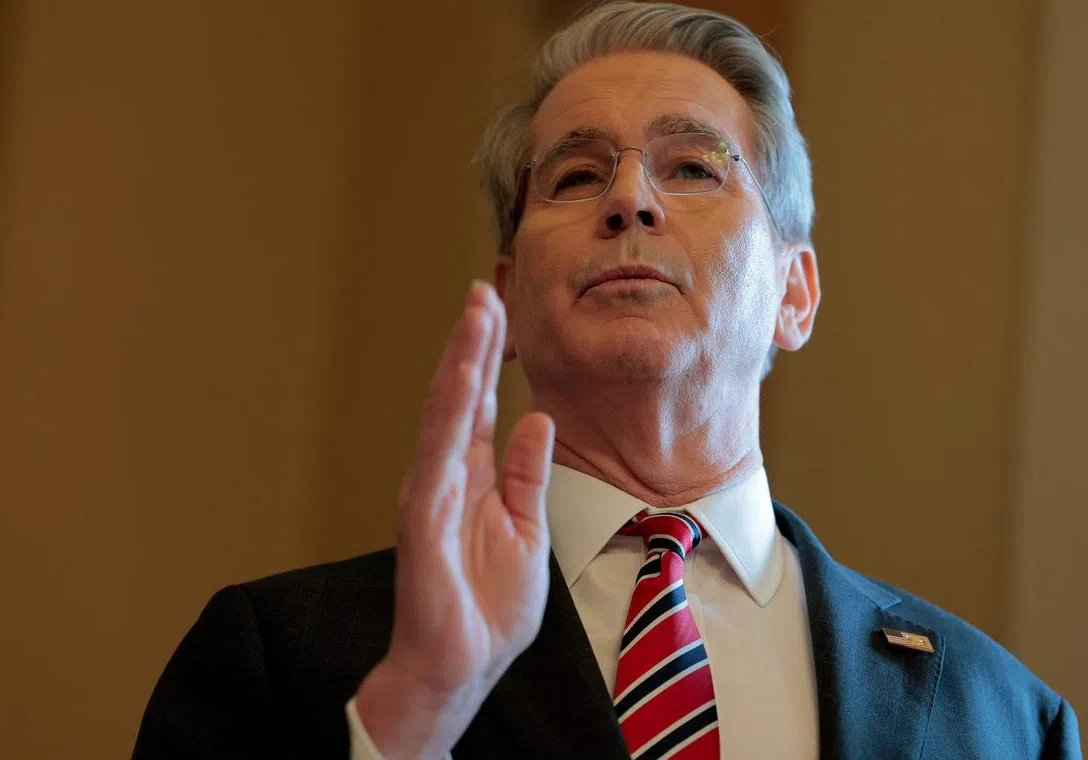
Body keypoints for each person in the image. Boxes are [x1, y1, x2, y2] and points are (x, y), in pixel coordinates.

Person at [132, 2, 1081, 758]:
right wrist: (413, 718)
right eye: (578, 178)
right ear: (507, 297)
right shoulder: (281, 654)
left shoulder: (1005, 720)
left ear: (796, 293)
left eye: (695, 167)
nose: (630, 199)